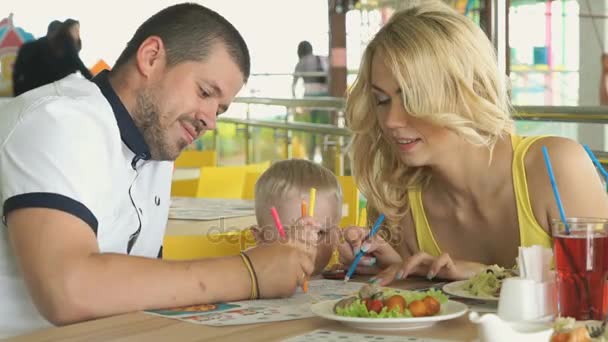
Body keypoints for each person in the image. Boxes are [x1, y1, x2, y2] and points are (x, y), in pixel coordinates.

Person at [0, 4, 317, 338]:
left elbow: (137, 285)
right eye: (205, 92)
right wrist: (250, 272)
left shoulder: (154, 147)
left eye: (220, 110)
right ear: (151, 57)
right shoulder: (56, 120)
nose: (210, 119)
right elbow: (68, 289)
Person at [337, 0, 608, 285]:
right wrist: (399, 271)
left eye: (413, 98)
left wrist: (487, 277)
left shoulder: (555, 167)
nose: (391, 120)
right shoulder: (397, 200)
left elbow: (598, 292)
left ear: (468, 91)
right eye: (382, 100)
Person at [250, 159, 343, 275]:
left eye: (319, 232)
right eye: (291, 233)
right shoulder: (250, 284)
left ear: (336, 238)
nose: (307, 244)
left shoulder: (342, 276)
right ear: (260, 237)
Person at [291, 41, 330, 161]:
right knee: (324, 131)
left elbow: (294, 85)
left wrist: (295, 104)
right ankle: (326, 159)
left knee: (310, 131)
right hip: (326, 99)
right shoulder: (322, 59)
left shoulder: (301, 62)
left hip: (309, 100)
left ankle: (311, 159)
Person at [12, 20, 62, 96]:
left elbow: (16, 73)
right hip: (45, 95)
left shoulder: (27, 47)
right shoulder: (58, 52)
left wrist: (17, 95)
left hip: (26, 94)